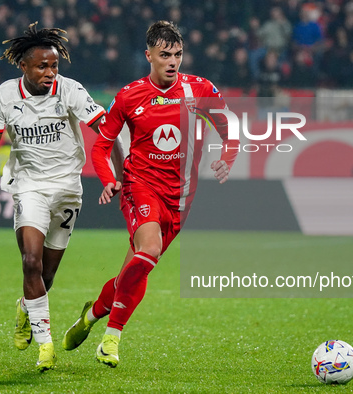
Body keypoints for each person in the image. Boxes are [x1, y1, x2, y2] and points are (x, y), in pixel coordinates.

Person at [62, 20, 238, 368]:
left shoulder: (199, 89)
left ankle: (93, 314)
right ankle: (111, 339)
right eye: (165, 55)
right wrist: (109, 178)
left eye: (178, 55)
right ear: (149, 56)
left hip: (181, 199)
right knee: (149, 251)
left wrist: (227, 156)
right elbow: (102, 146)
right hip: (139, 187)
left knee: (138, 267)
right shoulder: (130, 96)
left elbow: (227, 126)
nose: (172, 62)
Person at [0, 22, 121, 372]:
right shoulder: (4, 96)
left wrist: (121, 178)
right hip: (29, 186)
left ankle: (25, 307)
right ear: (24, 66)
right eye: (42, 66)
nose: (50, 73)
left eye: (54, 66)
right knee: (30, 263)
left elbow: (108, 131)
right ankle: (45, 346)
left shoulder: (70, 90)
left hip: (68, 188)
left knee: (45, 277)